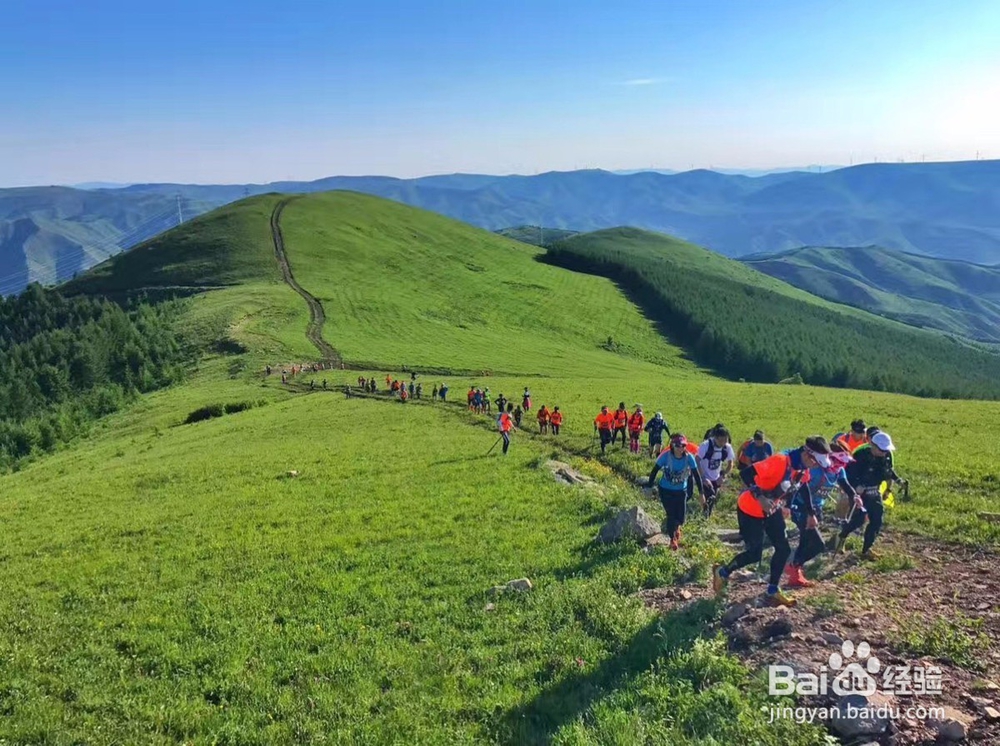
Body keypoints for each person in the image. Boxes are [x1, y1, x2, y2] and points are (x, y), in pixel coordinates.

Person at [713, 436, 834, 607]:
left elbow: (804, 487)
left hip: (771, 510)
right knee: (755, 554)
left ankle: (773, 590)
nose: (816, 466)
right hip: (750, 510)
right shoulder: (780, 461)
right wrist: (760, 496)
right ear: (807, 455)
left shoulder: (801, 468)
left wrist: (810, 513)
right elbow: (746, 474)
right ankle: (723, 571)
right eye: (816, 462)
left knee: (783, 549)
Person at [786, 450, 858, 588]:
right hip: (801, 507)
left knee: (804, 540)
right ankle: (793, 566)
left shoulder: (839, 471)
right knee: (818, 545)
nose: (842, 465)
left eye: (844, 463)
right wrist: (807, 513)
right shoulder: (815, 470)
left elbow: (845, 484)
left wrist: (854, 496)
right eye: (839, 462)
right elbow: (800, 487)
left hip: (815, 509)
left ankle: (795, 574)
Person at [833, 431, 901, 559]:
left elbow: (888, 471)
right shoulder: (860, 455)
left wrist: (897, 480)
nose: (884, 452)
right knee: (858, 519)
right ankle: (842, 536)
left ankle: (866, 549)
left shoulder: (886, 456)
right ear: (872, 445)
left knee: (877, 519)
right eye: (881, 449)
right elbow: (848, 474)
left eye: (886, 450)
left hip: (874, 491)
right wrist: (856, 486)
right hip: (859, 493)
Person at [648, 434, 704, 550]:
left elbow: (696, 476)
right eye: (677, 445)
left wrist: (701, 494)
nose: (680, 448)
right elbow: (654, 471)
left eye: (683, 445)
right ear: (672, 445)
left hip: (681, 491)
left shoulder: (689, 458)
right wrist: (649, 486)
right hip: (665, 490)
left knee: (681, 517)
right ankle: (672, 539)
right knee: (670, 515)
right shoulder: (666, 457)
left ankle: (677, 528)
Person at [696, 427, 736, 517]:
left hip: (716, 477)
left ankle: (705, 517)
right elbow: (697, 459)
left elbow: (730, 463)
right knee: (710, 497)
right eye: (721, 440)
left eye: (725, 440)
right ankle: (704, 517)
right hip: (704, 477)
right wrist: (703, 477)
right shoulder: (706, 445)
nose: (723, 443)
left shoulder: (727, 447)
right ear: (715, 438)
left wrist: (723, 475)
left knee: (712, 499)